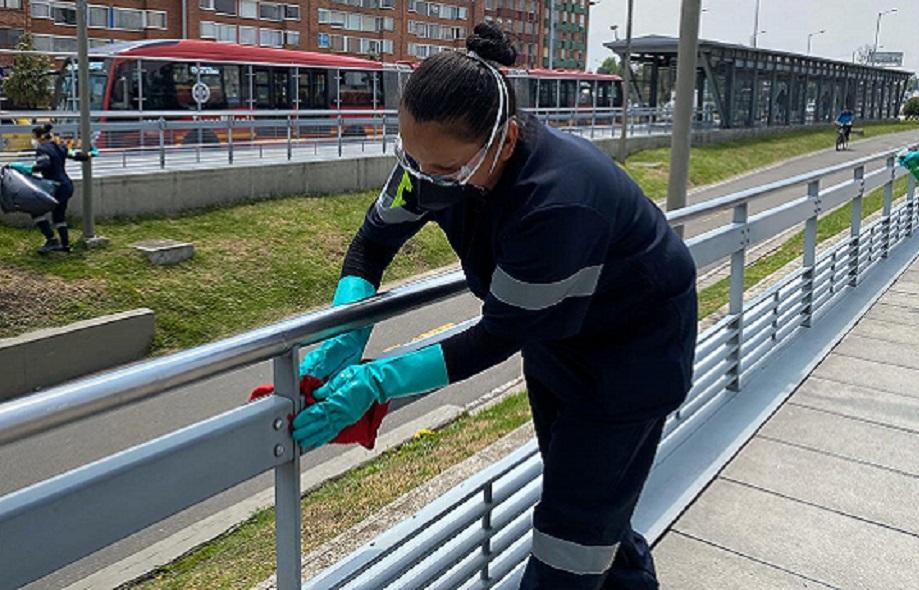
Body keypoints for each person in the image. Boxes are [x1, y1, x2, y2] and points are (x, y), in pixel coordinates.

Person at [291, 22, 697, 590]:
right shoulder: (432, 163)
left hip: (630, 359)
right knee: (591, 501)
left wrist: (381, 379)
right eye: (410, 159)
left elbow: (496, 336)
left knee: (570, 539)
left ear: (505, 141)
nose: (426, 183)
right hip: (556, 343)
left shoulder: (557, 203)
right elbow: (372, 243)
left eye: (447, 171)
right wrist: (345, 332)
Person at [7, 124, 94, 254]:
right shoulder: (60, 147)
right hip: (66, 186)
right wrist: (90, 154)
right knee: (59, 216)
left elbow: (44, 165)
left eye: (34, 138)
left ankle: (51, 240)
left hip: (54, 187)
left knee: (36, 211)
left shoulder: (42, 150)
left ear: (39, 137)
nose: (33, 141)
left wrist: (25, 168)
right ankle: (65, 246)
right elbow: (76, 155)